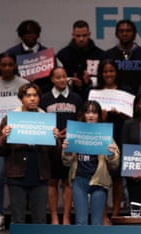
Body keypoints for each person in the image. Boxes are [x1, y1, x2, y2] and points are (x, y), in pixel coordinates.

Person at [0, 83, 59, 224]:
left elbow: (54, 155)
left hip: (40, 175)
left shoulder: (46, 119)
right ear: (21, 99)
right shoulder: (10, 119)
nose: (32, 99)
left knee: (40, 220)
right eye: (28, 95)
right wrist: (4, 137)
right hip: (17, 175)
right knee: (18, 219)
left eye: (35, 95)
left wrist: (56, 140)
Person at [62, 101, 120, 225]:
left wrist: (111, 154)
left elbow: (115, 163)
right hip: (79, 179)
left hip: (99, 180)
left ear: (99, 115)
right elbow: (66, 162)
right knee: (81, 221)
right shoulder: (75, 133)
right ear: (83, 114)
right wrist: (66, 151)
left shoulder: (106, 135)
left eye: (94, 112)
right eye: (87, 112)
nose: (91, 115)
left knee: (97, 222)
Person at [0, 53, 29, 231]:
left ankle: (19, 215)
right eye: (3, 65)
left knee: (21, 176)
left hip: (19, 139)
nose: (7, 68)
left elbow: (30, 109)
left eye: (10, 65)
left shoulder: (23, 84)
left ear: (15, 66)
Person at [40, 67, 83, 225]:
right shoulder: (44, 99)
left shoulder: (76, 98)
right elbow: (40, 122)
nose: (61, 80)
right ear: (52, 79)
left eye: (64, 76)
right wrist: (52, 133)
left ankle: (65, 216)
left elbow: (80, 120)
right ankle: (53, 216)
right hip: (51, 145)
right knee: (52, 181)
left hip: (70, 144)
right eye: (57, 77)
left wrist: (71, 132)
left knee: (67, 181)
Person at [93, 59, 134, 221]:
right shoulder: (95, 92)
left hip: (120, 134)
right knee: (101, 176)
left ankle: (115, 214)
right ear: (101, 74)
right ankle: (103, 215)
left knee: (117, 177)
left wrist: (124, 114)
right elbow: (86, 117)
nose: (108, 74)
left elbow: (133, 114)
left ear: (116, 72)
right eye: (105, 71)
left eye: (111, 71)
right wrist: (101, 118)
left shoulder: (125, 91)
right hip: (100, 135)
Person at [56, 20, 105, 99]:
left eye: (84, 35)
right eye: (78, 36)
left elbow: (105, 78)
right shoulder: (63, 55)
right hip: (69, 97)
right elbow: (57, 78)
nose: (81, 39)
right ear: (73, 35)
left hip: (94, 96)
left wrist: (89, 82)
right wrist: (71, 81)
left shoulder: (100, 55)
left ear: (89, 35)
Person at [104, 20, 141, 93]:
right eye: (121, 31)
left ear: (134, 33)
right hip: (115, 96)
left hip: (140, 97)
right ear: (116, 34)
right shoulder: (108, 55)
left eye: (128, 31)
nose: (125, 33)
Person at [6, 20, 52, 93]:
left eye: (34, 32)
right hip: (17, 93)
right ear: (20, 35)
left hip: (43, 93)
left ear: (38, 34)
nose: (30, 35)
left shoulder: (47, 54)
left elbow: (52, 78)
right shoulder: (11, 53)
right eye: (27, 33)